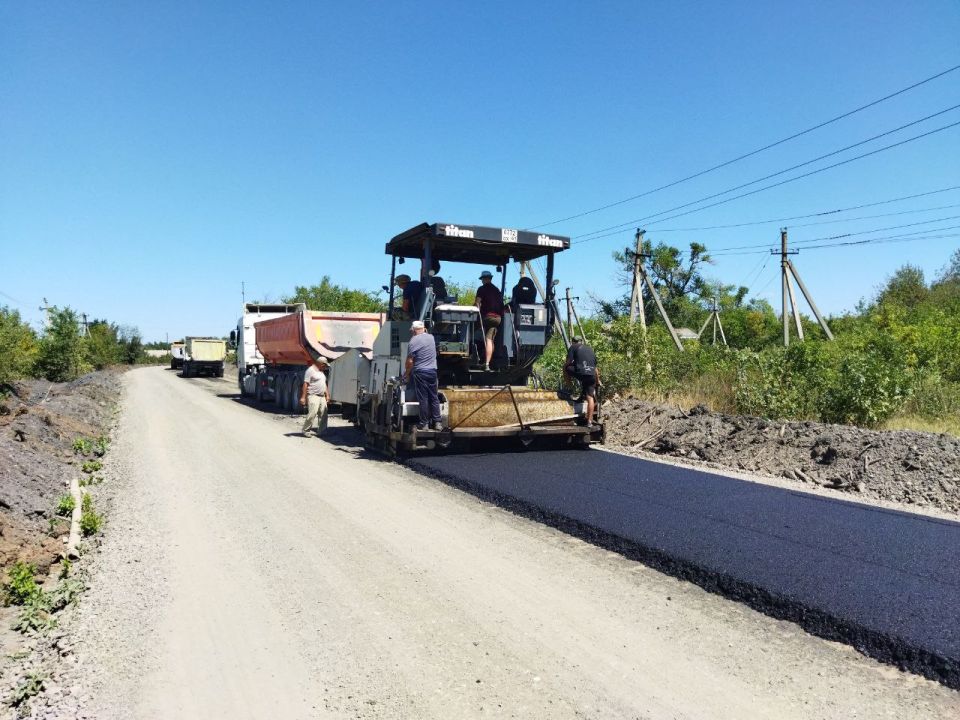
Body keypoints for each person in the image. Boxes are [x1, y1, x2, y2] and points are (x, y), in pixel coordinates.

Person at [403, 320, 442, 431]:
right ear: (424, 328)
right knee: (434, 397)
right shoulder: (431, 338)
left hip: (420, 372)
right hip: (432, 371)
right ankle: (438, 423)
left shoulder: (413, 341)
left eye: (412, 331)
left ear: (414, 330)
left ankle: (424, 424)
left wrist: (406, 374)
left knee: (423, 398)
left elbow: (410, 361)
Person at [564, 336, 602, 425]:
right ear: (581, 341)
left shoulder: (573, 347)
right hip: (592, 375)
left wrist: (569, 367)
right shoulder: (590, 349)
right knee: (590, 397)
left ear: (573, 342)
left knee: (565, 367)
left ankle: (569, 387)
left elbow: (568, 362)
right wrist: (597, 381)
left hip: (581, 373)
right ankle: (589, 421)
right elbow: (595, 369)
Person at [475, 270, 504, 370]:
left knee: (470, 328)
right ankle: (487, 363)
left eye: (482, 279)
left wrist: (473, 310)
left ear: (483, 279)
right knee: (489, 339)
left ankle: (472, 354)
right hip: (497, 318)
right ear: (490, 278)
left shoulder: (481, 289)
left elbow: (477, 304)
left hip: (487, 316)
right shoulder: (497, 290)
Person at [299, 357, 330, 437]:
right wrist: (303, 397)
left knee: (324, 414)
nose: (325, 367)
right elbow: (306, 384)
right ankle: (306, 430)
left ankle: (322, 431)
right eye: (324, 365)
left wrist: (327, 395)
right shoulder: (310, 370)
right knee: (312, 413)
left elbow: (324, 384)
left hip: (322, 396)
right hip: (313, 395)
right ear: (320, 363)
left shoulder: (321, 371)